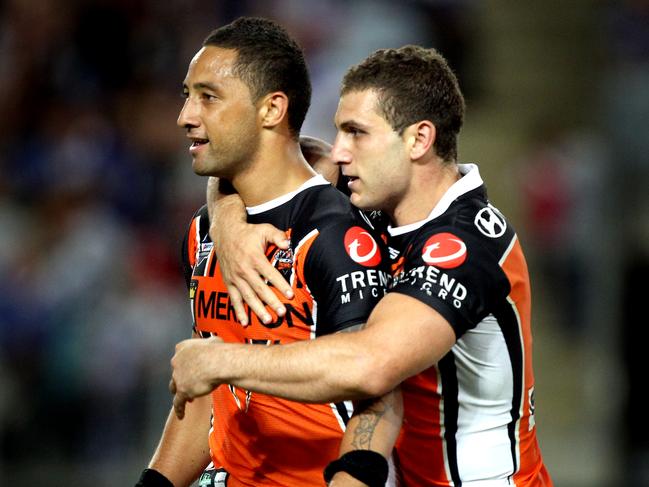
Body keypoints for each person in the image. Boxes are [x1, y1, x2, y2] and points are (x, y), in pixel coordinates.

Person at [170, 45, 554, 486]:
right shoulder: (383, 200)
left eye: (356, 133)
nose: (339, 152)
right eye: (339, 132)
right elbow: (250, 158)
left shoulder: (468, 245)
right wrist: (227, 223)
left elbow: (371, 364)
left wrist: (220, 362)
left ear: (418, 140)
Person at [135, 17, 392, 487]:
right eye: (186, 95)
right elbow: (205, 395)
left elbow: (373, 390)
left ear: (272, 109)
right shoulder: (204, 230)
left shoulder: (334, 230)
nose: (186, 115)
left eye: (208, 97)